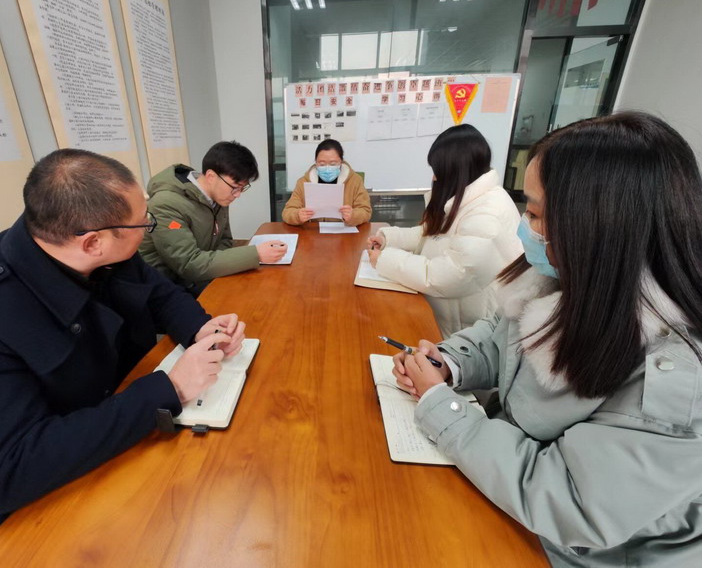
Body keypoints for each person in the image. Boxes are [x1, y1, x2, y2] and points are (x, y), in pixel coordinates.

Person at [0, 149, 246, 563]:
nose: (148, 228)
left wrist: (200, 328)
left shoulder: (84, 243)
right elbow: (6, 474)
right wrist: (170, 387)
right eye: (144, 223)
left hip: (117, 431)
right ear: (93, 243)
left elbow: (159, 292)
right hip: (46, 497)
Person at [393, 112, 702, 567]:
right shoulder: (560, 277)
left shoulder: (675, 375)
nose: (524, 226)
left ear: (598, 224)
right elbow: (498, 338)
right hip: (509, 494)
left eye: (535, 214)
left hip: (570, 551)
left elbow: (571, 501)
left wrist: (443, 407)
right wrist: (448, 362)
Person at [367, 124, 522, 338]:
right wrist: (389, 239)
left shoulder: (487, 213)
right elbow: (430, 235)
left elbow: (450, 275)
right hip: (451, 317)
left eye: (438, 171)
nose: (434, 178)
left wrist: (385, 260)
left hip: (469, 332)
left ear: (455, 171)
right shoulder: (468, 198)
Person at [139, 141, 286, 297]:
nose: (237, 195)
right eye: (235, 187)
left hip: (199, 277)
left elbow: (225, 240)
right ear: (211, 176)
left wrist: (213, 263)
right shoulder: (166, 204)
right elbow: (189, 265)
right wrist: (256, 254)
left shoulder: (219, 196)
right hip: (164, 288)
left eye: (242, 188)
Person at [281, 138, 372, 226]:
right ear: (316, 162)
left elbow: (365, 211)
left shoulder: (355, 181)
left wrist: (353, 215)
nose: (327, 168)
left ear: (341, 162)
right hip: (313, 231)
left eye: (333, 164)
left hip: (343, 231)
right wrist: (298, 216)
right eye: (322, 164)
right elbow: (287, 212)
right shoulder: (303, 182)